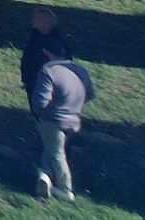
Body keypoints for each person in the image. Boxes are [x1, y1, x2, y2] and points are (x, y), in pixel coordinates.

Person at [32, 57, 95, 201]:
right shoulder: (81, 71)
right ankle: (45, 178)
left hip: (53, 121)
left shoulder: (48, 72)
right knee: (51, 149)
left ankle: (65, 189)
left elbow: (40, 102)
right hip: (74, 120)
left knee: (56, 153)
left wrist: (40, 113)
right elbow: (90, 94)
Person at [21, 6, 73, 94]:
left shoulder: (55, 40)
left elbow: (61, 62)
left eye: (37, 18)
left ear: (45, 21)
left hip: (46, 84)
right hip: (32, 81)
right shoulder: (36, 35)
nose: (33, 20)